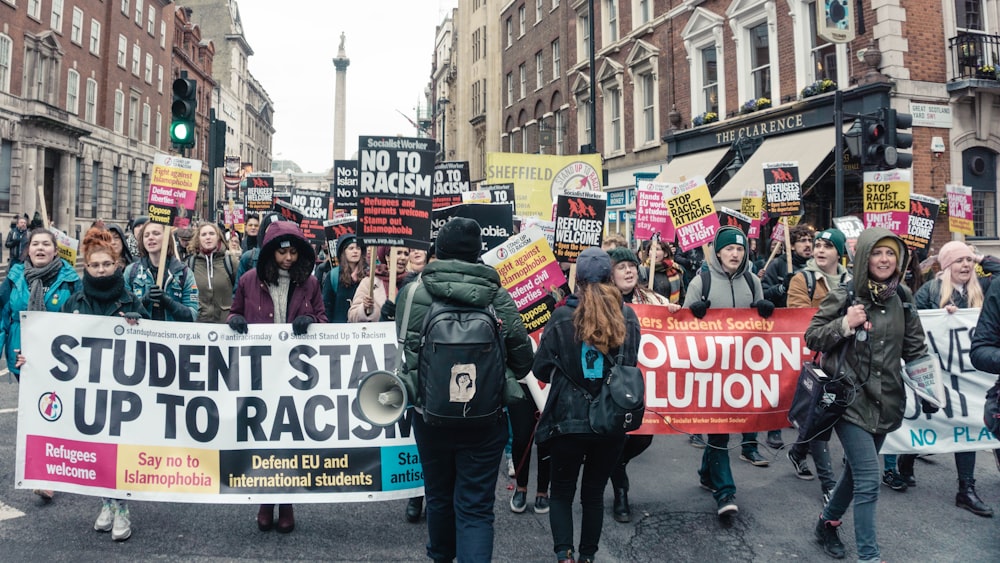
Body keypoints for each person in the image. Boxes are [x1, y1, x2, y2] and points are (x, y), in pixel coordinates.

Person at [394, 218, 533, 562]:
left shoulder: (412, 292)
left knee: (439, 497)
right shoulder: (498, 297)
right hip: (485, 420)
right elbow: (524, 361)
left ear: (437, 252)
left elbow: (406, 350)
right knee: (475, 509)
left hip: (430, 417)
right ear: (476, 255)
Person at [805, 228, 928, 562]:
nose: (885, 260)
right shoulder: (845, 294)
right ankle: (870, 557)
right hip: (848, 402)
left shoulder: (902, 296)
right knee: (869, 481)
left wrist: (930, 389)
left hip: (886, 402)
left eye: (891, 254)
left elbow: (916, 348)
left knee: (854, 475)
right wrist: (845, 323)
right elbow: (812, 337)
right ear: (864, 258)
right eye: (877, 253)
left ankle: (826, 523)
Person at [533, 247, 641, 563]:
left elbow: (540, 370)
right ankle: (588, 557)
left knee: (562, 494)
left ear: (576, 280)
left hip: (566, 419)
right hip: (610, 421)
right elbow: (630, 361)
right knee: (593, 495)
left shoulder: (561, 316)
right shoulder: (628, 315)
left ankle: (564, 555)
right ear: (610, 277)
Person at [229, 220, 326, 533]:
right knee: (262, 439)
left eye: (293, 253)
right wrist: (236, 320)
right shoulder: (248, 280)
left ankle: (286, 502)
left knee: (287, 440)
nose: (288, 258)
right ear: (271, 252)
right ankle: (265, 500)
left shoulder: (310, 283)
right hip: (260, 374)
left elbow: (323, 320)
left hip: (295, 373)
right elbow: (232, 312)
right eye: (282, 252)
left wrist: (310, 319)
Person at [62, 227, 149, 541]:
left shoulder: (131, 300)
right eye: (94, 265)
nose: (100, 270)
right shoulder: (74, 301)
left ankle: (122, 507)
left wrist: (137, 321)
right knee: (97, 448)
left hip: (123, 390)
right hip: (89, 387)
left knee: (120, 450)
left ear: (117, 266)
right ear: (86, 267)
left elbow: (151, 343)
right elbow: (55, 342)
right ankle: (106, 504)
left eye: (106, 265)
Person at [683, 226, 774, 517]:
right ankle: (725, 492)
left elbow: (764, 330)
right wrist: (693, 312)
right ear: (718, 252)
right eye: (729, 249)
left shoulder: (751, 280)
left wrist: (765, 312)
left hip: (741, 371)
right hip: (710, 370)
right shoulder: (702, 282)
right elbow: (679, 331)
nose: (735, 253)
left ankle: (707, 474)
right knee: (720, 432)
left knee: (724, 429)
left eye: (740, 249)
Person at [903, 241, 998, 517]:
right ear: (946, 266)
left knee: (965, 424)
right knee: (928, 419)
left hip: (972, 375)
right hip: (940, 373)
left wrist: (980, 257)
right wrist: (941, 319)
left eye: (969, 261)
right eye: (959, 261)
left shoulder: (984, 287)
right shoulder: (930, 291)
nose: (966, 265)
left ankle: (965, 489)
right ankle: (906, 460)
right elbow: (911, 320)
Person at [605, 246, 676, 523]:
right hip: (612, 382)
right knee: (614, 438)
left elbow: (676, 331)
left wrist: (673, 312)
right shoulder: (602, 300)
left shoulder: (652, 300)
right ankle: (620, 491)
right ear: (611, 273)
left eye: (632, 266)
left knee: (643, 435)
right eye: (621, 267)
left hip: (644, 382)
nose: (629, 271)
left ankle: (617, 464)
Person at [785, 228, 851, 506]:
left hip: (851, 363)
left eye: (828, 246)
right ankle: (829, 485)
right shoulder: (804, 279)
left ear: (840, 252)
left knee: (830, 419)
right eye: (818, 244)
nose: (820, 250)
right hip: (819, 359)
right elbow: (801, 317)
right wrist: (845, 320)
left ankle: (798, 451)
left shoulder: (854, 281)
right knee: (819, 418)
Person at [0, 227, 81, 381]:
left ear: (56, 251)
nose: (40, 248)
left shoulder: (71, 280)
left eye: (46, 244)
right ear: (28, 250)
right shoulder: (14, 278)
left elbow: (86, 316)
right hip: (22, 356)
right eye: (35, 244)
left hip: (61, 358)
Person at [760, 224, 814, 449]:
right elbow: (762, 294)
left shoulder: (816, 267)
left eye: (810, 240)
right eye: (802, 241)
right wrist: (782, 288)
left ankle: (807, 434)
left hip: (809, 332)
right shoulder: (778, 265)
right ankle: (774, 429)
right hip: (781, 332)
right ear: (791, 246)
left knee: (809, 383)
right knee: (780, 381)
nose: (808, 245)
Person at [123, 222, 198, 323]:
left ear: (167, 238)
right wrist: (143, 301)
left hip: (173, 336)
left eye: (156, 233)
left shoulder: (184, 273)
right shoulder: (131, 272)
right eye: (146, 235)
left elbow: (193, 315)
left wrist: (169, 302)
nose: (150, 238)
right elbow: (123, 310)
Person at [186, 222, 239, 323]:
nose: (208, 237)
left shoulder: (230, 262)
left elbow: (241, 291)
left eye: (211, 234)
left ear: (218, 237)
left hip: (226, 326)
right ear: (198, 239)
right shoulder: (190, 263)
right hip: (199, 326)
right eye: (204, 234)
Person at [324, 233, 366, 323]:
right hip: (340, 332)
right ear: (343, 252)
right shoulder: (333, 275)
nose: (355, 251)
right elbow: (326, 307)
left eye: (358, 248)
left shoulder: (368, 275)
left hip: (363, 331)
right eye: (351, 248)